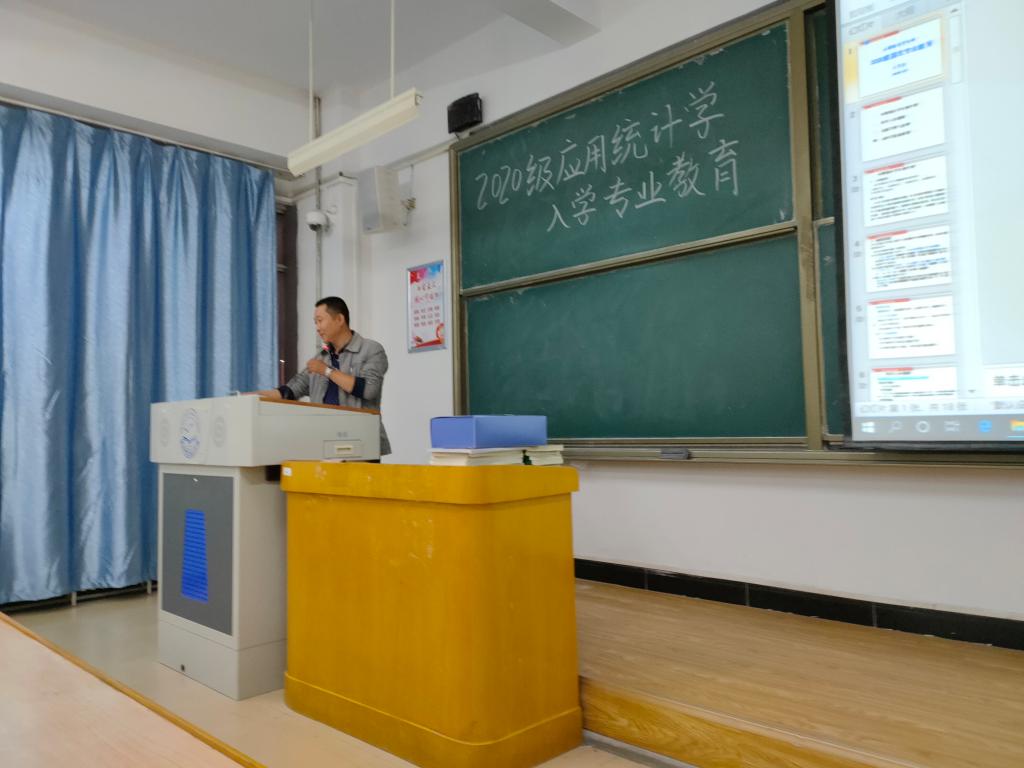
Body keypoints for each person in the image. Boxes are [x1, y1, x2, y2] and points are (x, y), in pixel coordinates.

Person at [259, 296, 391, 456]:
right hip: (323, 443)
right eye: (315, 322)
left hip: (362, 444)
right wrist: (253, 396)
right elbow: (289, 391)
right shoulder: (320, 358)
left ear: (340, 319)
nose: (317, 327)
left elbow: (369, 390)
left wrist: (327, 371)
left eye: (320, 321)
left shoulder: (371, 349)